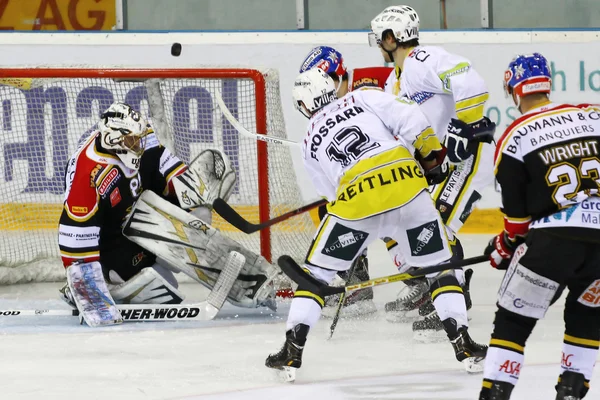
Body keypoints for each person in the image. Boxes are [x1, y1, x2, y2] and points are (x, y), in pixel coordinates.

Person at [265, 68, 487, 381]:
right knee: (439, 267)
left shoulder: (309, 141)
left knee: (316, 275)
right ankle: (463, 344)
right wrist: (431, 159)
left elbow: (330, 195)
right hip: (408, 189)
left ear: (303, 105)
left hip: (357, 204)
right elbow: (412, 121)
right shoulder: (362, 96)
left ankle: (292, 351)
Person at [58, 102, 273, 326]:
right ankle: (106, 280)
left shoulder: (139, 134)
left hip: (144, 210)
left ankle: (246, 278)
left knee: (198, 212)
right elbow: (77, 245)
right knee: (164, 286)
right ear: (114, 140)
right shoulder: (88, 178)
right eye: (134, 141)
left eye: (141, 137)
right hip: (113, 243)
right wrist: (92, 295)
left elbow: (165, 164)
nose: (141, 145)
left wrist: (195, 192)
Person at [479, 53, 600, 400]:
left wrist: (503, 248)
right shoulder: (591, 114)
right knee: (587, 316)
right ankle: (571, 392)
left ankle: (496, 393)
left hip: (552, 243)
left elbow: (517, 225)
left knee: (513, 321)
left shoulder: (515, 136)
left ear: (513, 90)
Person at [369, 5, 496, 333]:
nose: (378, 44)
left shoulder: (420, 61)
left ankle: (455, 303)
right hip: (442, 166)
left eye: (380, 37)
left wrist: (463, 125)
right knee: (395, 214)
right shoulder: (394, 82)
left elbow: (471, 80)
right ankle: (428, 286)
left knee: (435, 224)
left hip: (467, 159)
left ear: (391, 37)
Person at [297, 45, 393, 317]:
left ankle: (425, 280)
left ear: (333, 78)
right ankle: (357, 280)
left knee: (389, 212)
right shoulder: (331, 106)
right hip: (379, 169)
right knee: (336, 210)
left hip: (405, 162)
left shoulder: (368, 83)